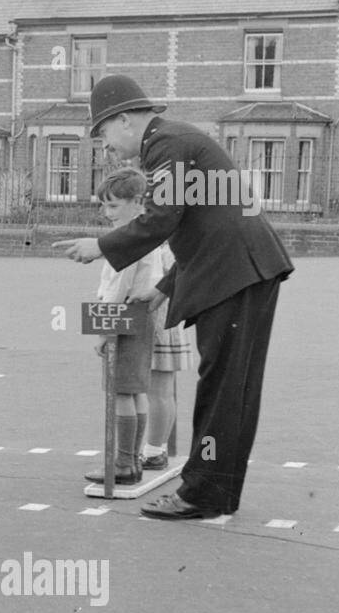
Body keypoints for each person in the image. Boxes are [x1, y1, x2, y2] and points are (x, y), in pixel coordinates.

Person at [56, 74, 293, 520]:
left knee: (221, 389)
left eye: (103, 133)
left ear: (124, 119)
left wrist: (101, 245)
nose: (105, 146)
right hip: (247, 269)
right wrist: (161, 289)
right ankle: (217, 493)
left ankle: (201, 495)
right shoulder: (178, 140)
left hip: (236, 273)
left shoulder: (165, 145)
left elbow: (164, 219)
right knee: (234, 390)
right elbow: (199, 222)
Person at [79, 169, 163, 486]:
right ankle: (133, 459)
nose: (106, 213)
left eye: (113, 206)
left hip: (125, 313)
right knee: (135, 390)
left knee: (120, 392)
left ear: (137, 203)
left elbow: (117, 288)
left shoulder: (127, 242)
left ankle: (124, 464)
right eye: (104, 206)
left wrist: (105, 331)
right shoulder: (144, 237)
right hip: (142, 313)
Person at [143, 241, 193, 471]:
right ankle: (158, 448)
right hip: (168, 320)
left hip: (162, 321)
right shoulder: (168, 244)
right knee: (162, 390)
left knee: (159, 391)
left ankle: (154, 451)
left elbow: (172, 281)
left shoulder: (166, 247)